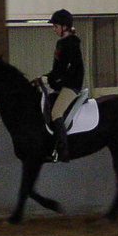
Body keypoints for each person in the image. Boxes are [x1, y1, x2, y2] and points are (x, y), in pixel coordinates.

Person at [44, 9, 84, 162]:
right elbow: (57, 69)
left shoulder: (72, 43)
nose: (54, 29)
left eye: (56, 26)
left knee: (56, 113)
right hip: (63, 85)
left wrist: (50, 79)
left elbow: (73, 69)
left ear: (64, 27)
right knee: (48, 105)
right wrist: (45, 77)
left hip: (71, 85)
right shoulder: (61, 43)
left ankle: (64, 151)